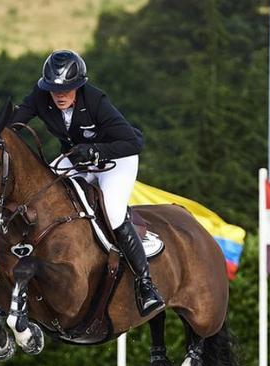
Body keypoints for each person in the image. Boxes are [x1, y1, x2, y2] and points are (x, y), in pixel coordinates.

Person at [9, 49, 162, 316]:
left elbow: (133, 142)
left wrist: (96, 152)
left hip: (116, 161)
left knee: (113, 213)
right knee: (44, 192)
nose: (59, 95)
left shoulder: (96, 101)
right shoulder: (41, 95)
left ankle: (146, 284)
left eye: (66, 89)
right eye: (54, 89)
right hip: (77, 159)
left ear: (78, 86)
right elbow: (15, 122)